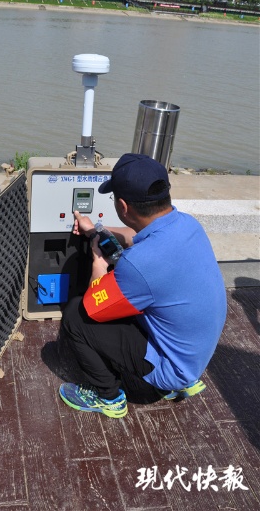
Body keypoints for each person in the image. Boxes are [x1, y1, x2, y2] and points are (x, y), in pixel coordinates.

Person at [59, 153, 227, 419]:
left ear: (123, 207)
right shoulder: (187, 224)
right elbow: (135, 237)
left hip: (172, 369)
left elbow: (93, 306)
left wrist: (98, 261)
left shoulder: (140, 264)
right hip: (193, 353)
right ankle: (178, 378)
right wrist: (96, 231)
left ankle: (110, 398)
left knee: (75, 315)